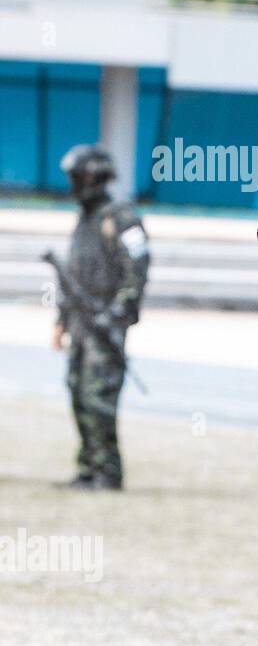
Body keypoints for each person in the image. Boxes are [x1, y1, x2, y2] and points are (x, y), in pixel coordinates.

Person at [51, 145, 149, 492]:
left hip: (105, 327)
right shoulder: (85, 218)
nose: (76, 184)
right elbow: (73, 274)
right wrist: (61, 322)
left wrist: (119, 314)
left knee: (99, 398)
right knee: (79, 393)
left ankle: (108, 472)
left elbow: (136, 270)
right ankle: (89, 468)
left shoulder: (119, 216)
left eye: (80, 176)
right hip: (80, 324)